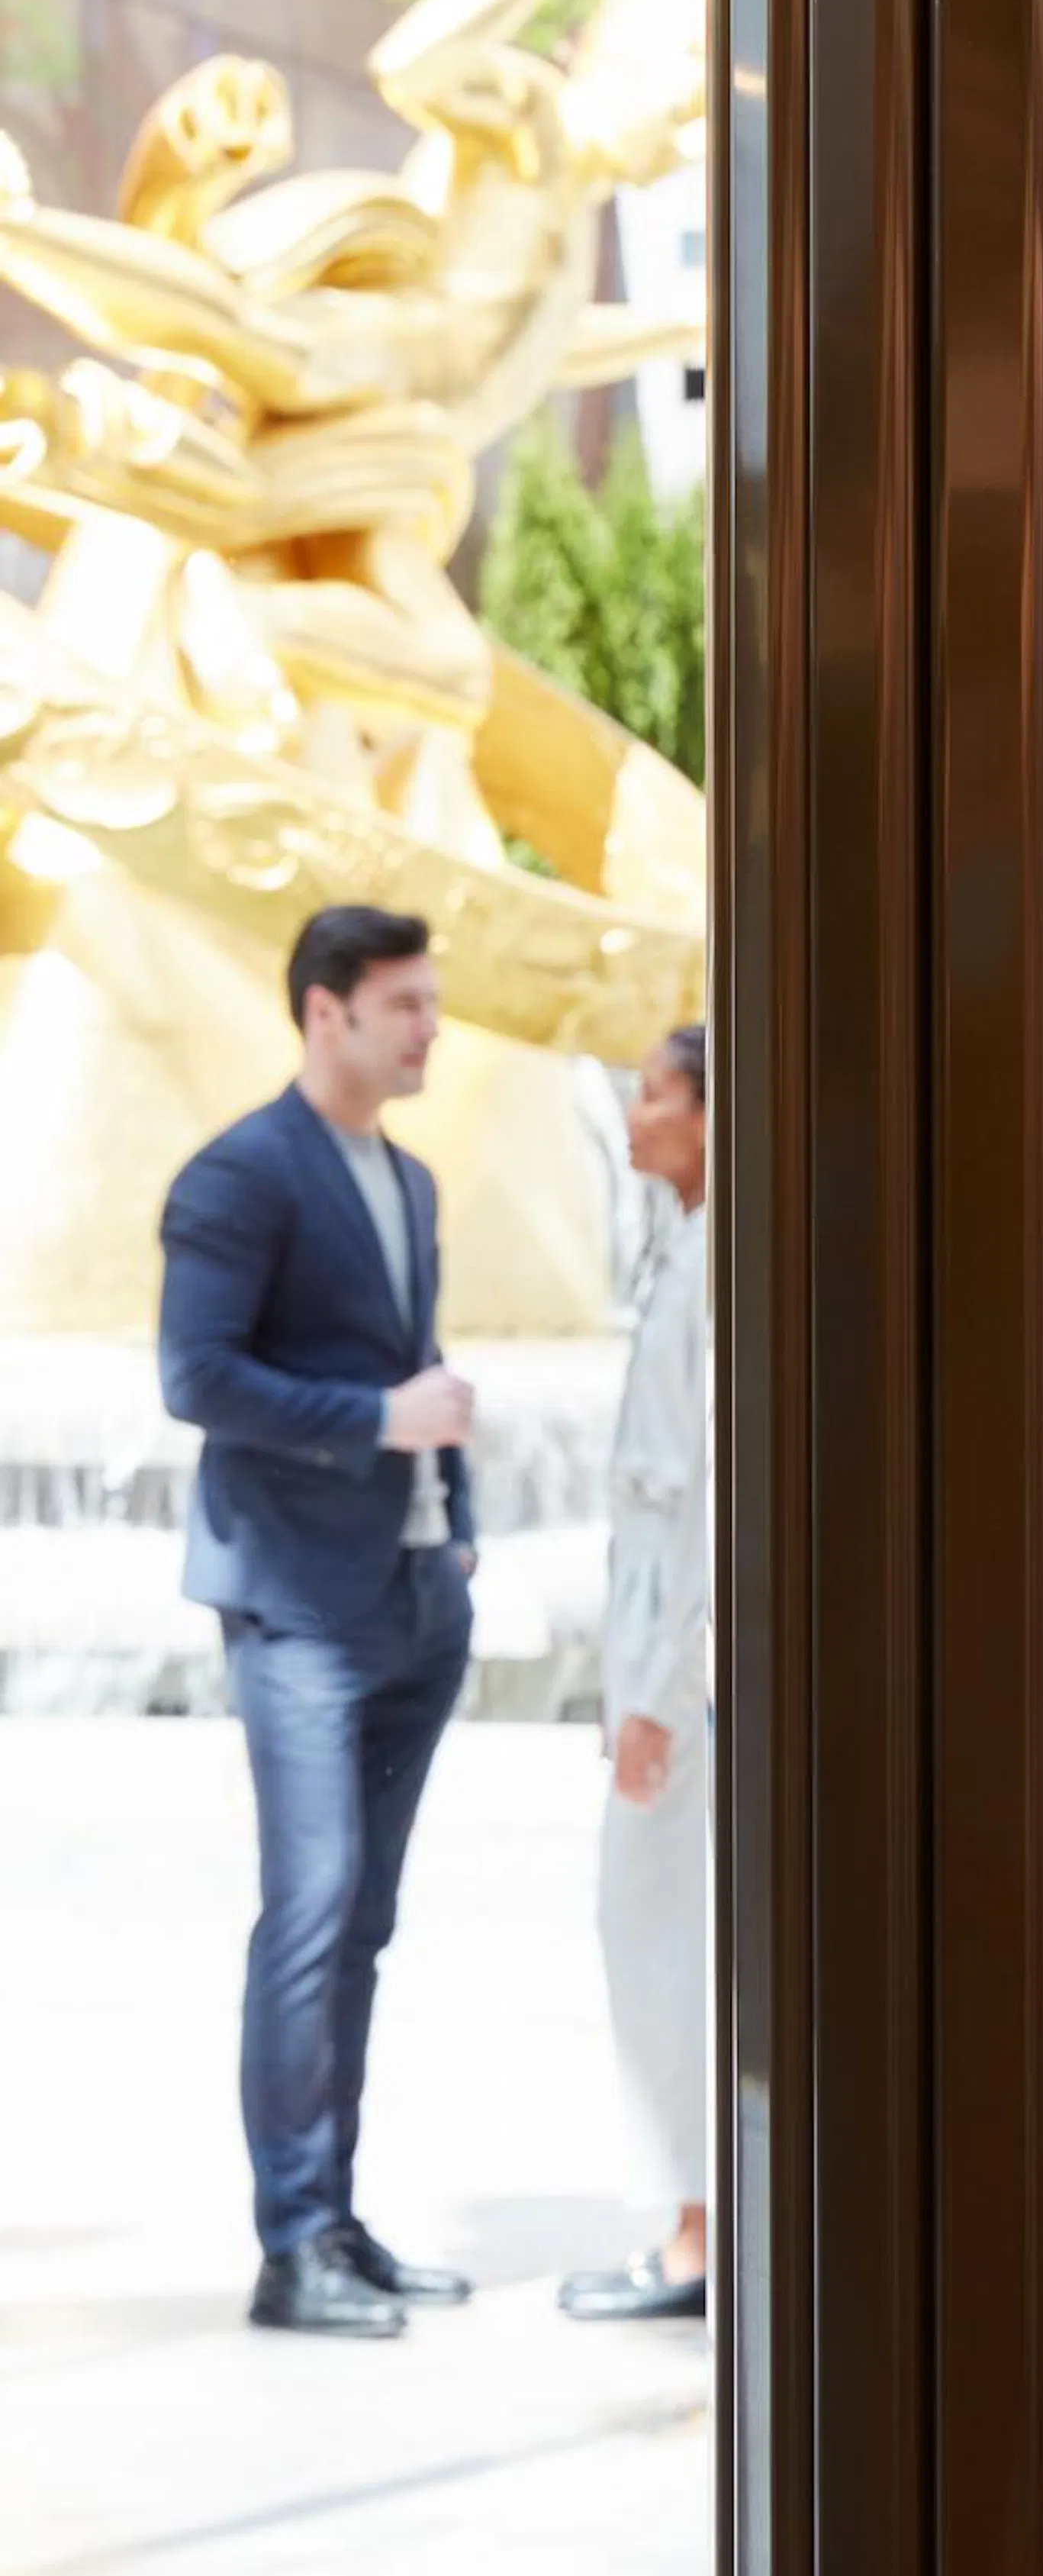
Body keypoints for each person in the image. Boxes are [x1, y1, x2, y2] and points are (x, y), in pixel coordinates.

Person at [159, 904, 482, 2339]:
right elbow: (196, 1375)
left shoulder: (406, 1183)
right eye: (404, 1005)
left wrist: (453, 1528)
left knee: (362, 1920)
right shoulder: (241, 1175)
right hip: (296, 1606)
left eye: (428, 1003)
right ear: (324, 1012)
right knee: (309, 1913)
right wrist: (376, 1420)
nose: (427, 1029)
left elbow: (414, 1363)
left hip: (414, 1598)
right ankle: (290, 2244)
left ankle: (335, 2219)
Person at [561, 1024, 710, 2321]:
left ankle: (695, 2235)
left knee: (662, 1927)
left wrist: (662, 1697)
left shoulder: (722, 1263)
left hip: (691, 1660)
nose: (636, 1113)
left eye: (659, 1094)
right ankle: (686, 2219)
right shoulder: (681, 1240)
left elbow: (718, 1504)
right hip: (658, 1632)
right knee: (653, 1924)